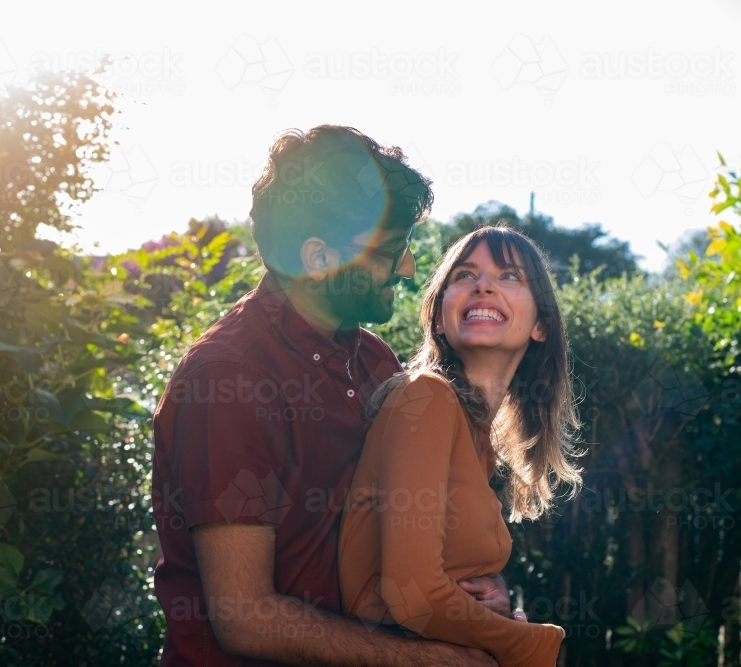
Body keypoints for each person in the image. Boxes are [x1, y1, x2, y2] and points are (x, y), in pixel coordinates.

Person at [151, 126, 509, 667]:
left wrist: (480, 596)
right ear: (318, 258)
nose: (409, 267)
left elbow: (404, 543)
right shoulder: (228, 382)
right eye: (391, 251)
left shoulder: (373, 360)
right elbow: (245, 617)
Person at [339, 227, 584, 667]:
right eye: (465, 274)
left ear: (542, 325)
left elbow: (439, 585)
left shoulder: (475, 437)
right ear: (438, 317)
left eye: (509, 276)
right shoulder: (425, 398)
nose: (484, 284)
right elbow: (409, 593)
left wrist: (490, 598)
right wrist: (525, 644)